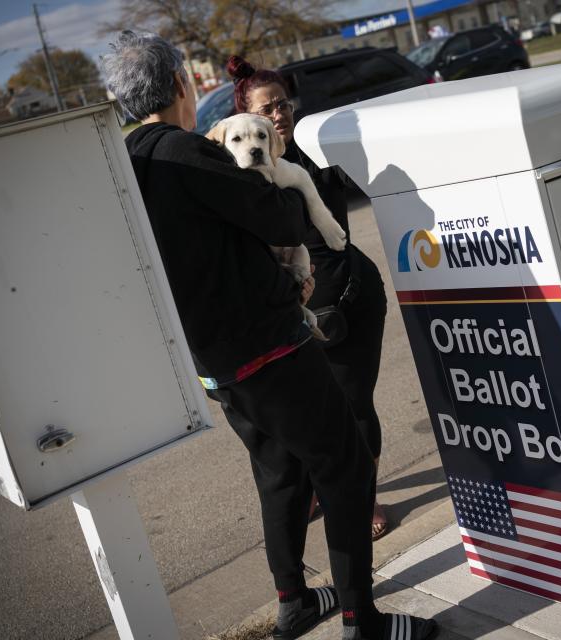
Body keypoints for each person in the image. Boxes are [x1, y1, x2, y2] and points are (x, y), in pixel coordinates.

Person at [102, 31, 435, 640]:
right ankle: (364, 624)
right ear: (181, 85)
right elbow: (280, 215)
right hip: (268, 347)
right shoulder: (185, 151)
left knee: (280, 472)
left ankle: (296, 602)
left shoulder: (124, 164)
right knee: (346, 465)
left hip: (212, 363)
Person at [226, 55, 392, 541]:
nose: (277, 115)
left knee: (354, 405)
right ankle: (325, 488)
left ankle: (367, 496)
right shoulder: (241, 173)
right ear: (247, 119)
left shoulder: (316, 152)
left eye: (283, 105)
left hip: (353, 299)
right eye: (266, 109)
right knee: (308, 418)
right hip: (295, 314)